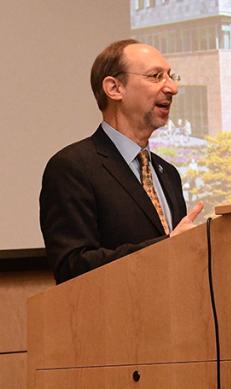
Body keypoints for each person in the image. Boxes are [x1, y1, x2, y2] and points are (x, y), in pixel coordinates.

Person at [40, 39, 203, 284]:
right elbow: (72, 267)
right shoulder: (72, 168)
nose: (172, 88)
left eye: (170, 75)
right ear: (114, 88)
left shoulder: (167, 173)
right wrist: (167, 247)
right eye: (156, 76)